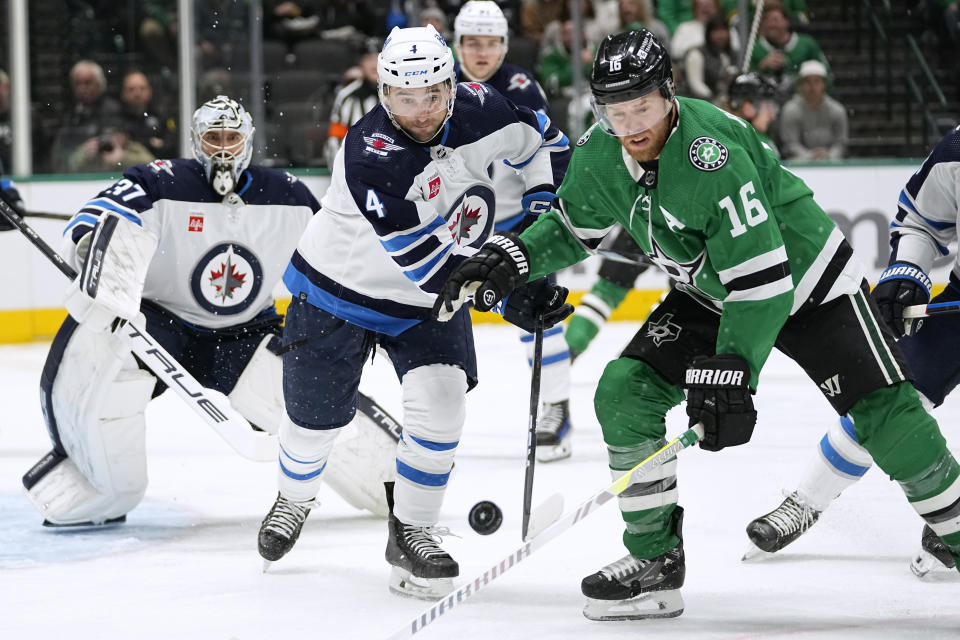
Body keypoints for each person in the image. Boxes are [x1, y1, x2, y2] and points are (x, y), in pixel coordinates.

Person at [434, 29, 960, 620]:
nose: (631, 125)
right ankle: (654, 563)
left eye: (643, 107)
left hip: (806, 282)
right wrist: (512, 260)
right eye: (616, 110)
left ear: (670, 94)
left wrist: (733, 372)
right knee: (624, 390)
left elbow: (762, 283)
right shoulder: (600, 153)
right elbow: (569, 226)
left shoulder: (711, 154)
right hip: (711, 290)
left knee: (885, 412)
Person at [255, 25, 571, 600]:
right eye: (406, 97)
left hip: (429, 303)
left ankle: (413, 532)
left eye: (433, 94)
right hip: (340, 292)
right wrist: (510, 288)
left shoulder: (484, 106)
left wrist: (536, 228)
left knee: (443, 405)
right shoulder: (373, 154)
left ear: (453, 85)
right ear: (384, 94)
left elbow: (546, 146)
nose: (421, 111)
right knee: (312, 425)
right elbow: (427, 266)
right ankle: (294, 497)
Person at [21, 96, 333, 528]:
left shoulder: (288, 194)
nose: (223, 149)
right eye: (213, 138)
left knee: (314, 396)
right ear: (195, 141)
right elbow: (93, 219)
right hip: (158, 327)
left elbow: (334, 255)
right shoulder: (159, 181)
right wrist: (96, 248)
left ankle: (390, 479)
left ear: (248, 141)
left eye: (232, 138)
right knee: (108, 374)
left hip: (244, 335)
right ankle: (101, 487)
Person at [744, 124, 960, 577]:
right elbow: (921, 220)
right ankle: (806, 501)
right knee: (889, 400)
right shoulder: (956, 154)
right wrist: (907, 271)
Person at [454, 0, 574, 461]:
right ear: (458, 44)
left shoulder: (520, 87)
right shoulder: (439, 83)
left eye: (491, 43)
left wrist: (539, 214)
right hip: (452, 228)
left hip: (510, 225)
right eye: (472, 43)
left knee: (535, 315)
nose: (482, 53)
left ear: (504, 45)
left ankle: (556, 409)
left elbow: (554, 149)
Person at [52, 60, 123, 173]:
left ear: (99, 84)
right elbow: (60, 151)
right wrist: (82, 152)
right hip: (75, 173)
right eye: (78, 83)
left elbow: (118, 141)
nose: (82, 88)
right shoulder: (69, 114)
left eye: (88, 82)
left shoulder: (113, 110)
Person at [748, 5, 829, 95]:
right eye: (766, 20)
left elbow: (825, 74)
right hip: (765, 103)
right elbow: (744, 80)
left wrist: (790, 66)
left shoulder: (807, 45)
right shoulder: (753, 48)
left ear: (786, 21)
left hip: (800, 101)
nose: (771, 24)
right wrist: (761, 68)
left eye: (775, 20)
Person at [777, 59, 847, 161]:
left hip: (831, 163)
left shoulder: (837, 110)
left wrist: (829, 155)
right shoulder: (791, 110)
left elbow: (841, 142)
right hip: (799, 164)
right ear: (801, 85)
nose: (812, 86)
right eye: (808, 82)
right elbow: (790, 144)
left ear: (824, 84)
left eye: (817, 81)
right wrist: (810, 156)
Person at [324, 51, 380, 168]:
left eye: (377, 58)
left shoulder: (402, 93)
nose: (374, 65)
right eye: (369, 60)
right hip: (357, 168)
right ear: (361, 66)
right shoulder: (346, 96)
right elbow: (336, 138)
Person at [119, 70, 177, 159]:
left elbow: (171, 144)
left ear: (150, 91)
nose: (137, 93)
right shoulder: (117, 117)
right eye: (131, 89)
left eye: (142, 88)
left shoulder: (161, 115)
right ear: (123, 93)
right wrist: (150, 143)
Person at [725, 72, 781, 157]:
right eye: (768, 108)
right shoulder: (760, 144)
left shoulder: (715, 134)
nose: (772, 115)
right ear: (748, 108)